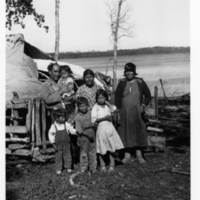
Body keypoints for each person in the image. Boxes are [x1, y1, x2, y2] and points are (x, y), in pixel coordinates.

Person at [115, 62, 151, 164]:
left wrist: (143, 105)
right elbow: (117, 97)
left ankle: (139, 154)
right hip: (125, 113)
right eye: (127, 71)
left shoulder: (140, 82)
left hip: (137, 113)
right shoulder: (122, 82)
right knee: (125, 132)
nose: (129, 73)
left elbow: (148, 95)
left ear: (134, 72)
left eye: (130, 71)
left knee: (138, 130)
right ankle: (127, 155)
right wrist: (117, 110)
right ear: (124, 73)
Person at [91, 89, 124, 172]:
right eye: (98, 98)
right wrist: (105, 118)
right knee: (101, 148)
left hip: (110, 129)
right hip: (101, 130)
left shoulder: (107, 106)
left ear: (105, 98)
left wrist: (107, 103)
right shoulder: (95, 107)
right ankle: (102, 166)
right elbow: (93, 120)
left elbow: (114, 109)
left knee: (111, 147)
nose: (100, 100)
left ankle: (112, 165)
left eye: (102, 98)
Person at [48, 109, 78, 175]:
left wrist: (75, 131)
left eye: (64, 117)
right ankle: (59, 168)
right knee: (58, 157)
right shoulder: (54, 126)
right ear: (57, 118)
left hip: (66, 144)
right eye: (62, 117)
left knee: (68, 156)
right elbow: (51, 135)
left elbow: (71, 129)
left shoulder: (66, 124)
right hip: (58, 145)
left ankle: (68, 167)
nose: (64, 119)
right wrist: (53, 144)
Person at [75, 97, 97, 173]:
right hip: (83, 138)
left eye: (84, 106)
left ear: (87, 105)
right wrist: (87, 135)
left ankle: (93, 167)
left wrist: (89, 126)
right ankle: (83, 168)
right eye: (81, 106)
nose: (83, 108)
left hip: (92, 136)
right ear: (78, 107)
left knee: (92, 151)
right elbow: (79, 129)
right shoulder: (77, 117)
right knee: (83, 152)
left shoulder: (91, 113)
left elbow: (94, 123)